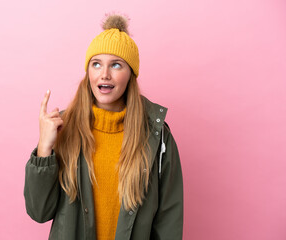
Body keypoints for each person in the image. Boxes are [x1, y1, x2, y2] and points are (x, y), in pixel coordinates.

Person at [24, 14, 183, 240]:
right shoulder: (63, 129)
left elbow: (169, 221)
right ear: (88, 71)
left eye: (116, 65)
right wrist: (44, 149)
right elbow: (39, 211)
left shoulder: (157, 137)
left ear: (131, 74)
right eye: (96, 64)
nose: (104, 74)